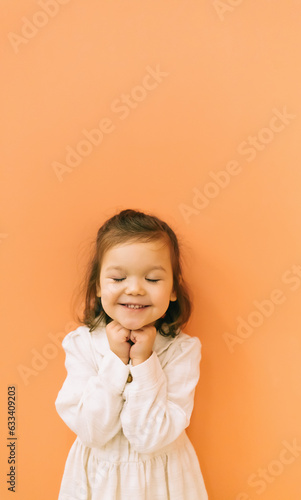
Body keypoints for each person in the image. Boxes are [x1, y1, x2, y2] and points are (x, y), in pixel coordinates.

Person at [55, 208, 208, 499]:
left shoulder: (182, 350)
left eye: (152, 279)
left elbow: (149, 438)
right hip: (97, 482)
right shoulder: (81, 345)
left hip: (164, 483)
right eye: (118, 278)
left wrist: (145, 362)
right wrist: (115, 361)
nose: (135, 289)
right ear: (98, 286)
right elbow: (93, 432)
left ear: (173, 288)